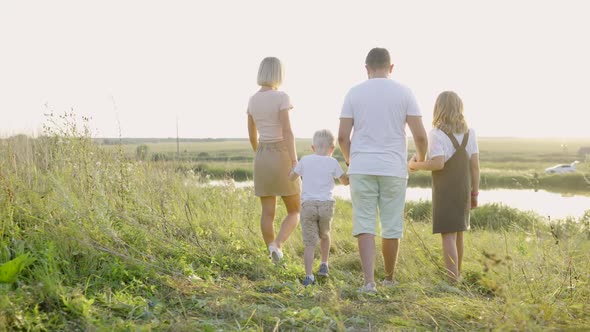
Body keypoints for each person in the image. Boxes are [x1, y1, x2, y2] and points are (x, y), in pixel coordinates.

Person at [338, 47, 428, 293]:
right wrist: (420, 159)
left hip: (362, 167)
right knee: (391, 225)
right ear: (391, 67)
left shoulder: (354, 93)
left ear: (366, 68)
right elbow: (420, 135)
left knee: (365, 224)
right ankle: (389, 279)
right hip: (393, 168)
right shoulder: (405, 92)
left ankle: (369, 283)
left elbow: (343, 138)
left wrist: (350, 161)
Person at [409, 91, 480, 283]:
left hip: (445, 191)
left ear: (438, 109)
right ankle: (457, 273)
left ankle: (451, 280)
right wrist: (475, 193)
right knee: (458, 233)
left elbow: (438, 163)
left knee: (448, 234)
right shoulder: (469, 133)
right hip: (464, 189)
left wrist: (415, 165)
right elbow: (475, 166)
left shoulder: (437, 134)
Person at [247, 57, 301, 263]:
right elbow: (287, 131)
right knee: (295, 209)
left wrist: (259, 152)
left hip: (262, 155)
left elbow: (252, 134)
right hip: (282, 154)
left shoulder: (252, 99)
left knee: (267, 212)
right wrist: (295, 160)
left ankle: (271, 252)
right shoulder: (282, 97)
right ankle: (277, 244)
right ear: (279, 74)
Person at [289, 129, 349, 286]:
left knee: (309, 243)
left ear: (312, 147)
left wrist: (295, 167)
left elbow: (291, 178)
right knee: (325, 234)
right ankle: (324, 264)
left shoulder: (306, 160)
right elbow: (344, 181)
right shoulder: (333, 162)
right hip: (326, 205)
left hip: (308, 205)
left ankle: (309, 276)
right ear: (332, 148)